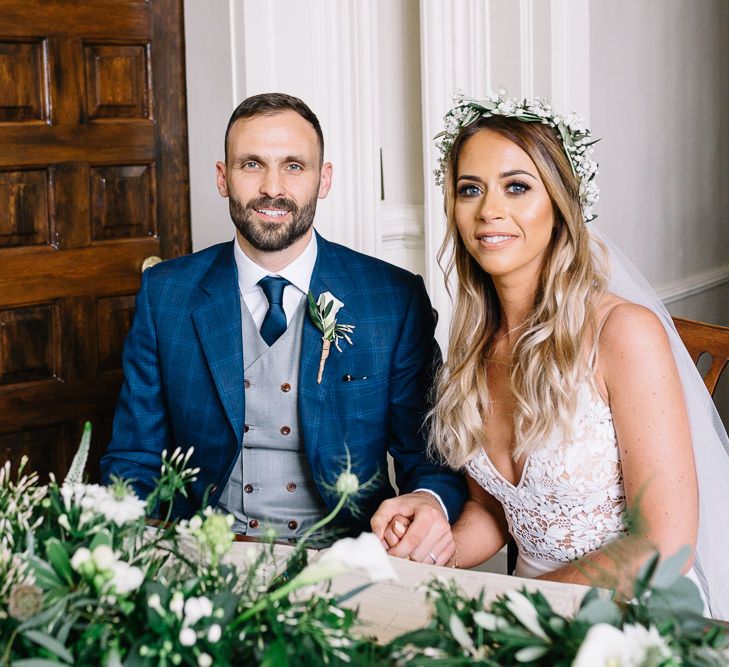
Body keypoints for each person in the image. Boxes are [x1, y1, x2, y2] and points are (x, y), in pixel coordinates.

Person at [387, 90, 729, 619]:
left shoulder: (623, 334)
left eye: (517, 187)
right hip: (526, 612)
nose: (489, 211)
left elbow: (664, 545)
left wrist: (528, 605)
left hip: (634, 611)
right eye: (469, 189)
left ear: (560, 206)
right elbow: (494, 512)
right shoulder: (474, 344)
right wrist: (432, 545)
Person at [100, 93, 465, 553]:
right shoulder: (166, 294)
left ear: (323, 179)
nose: (272, 187)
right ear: (222, 177)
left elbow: (431, 463)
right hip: (203, 558)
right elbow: (134, 457)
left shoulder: (392, 299)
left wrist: (427, 502)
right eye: (251, 165)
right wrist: (135, 554)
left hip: (346, 560)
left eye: (294, 166)